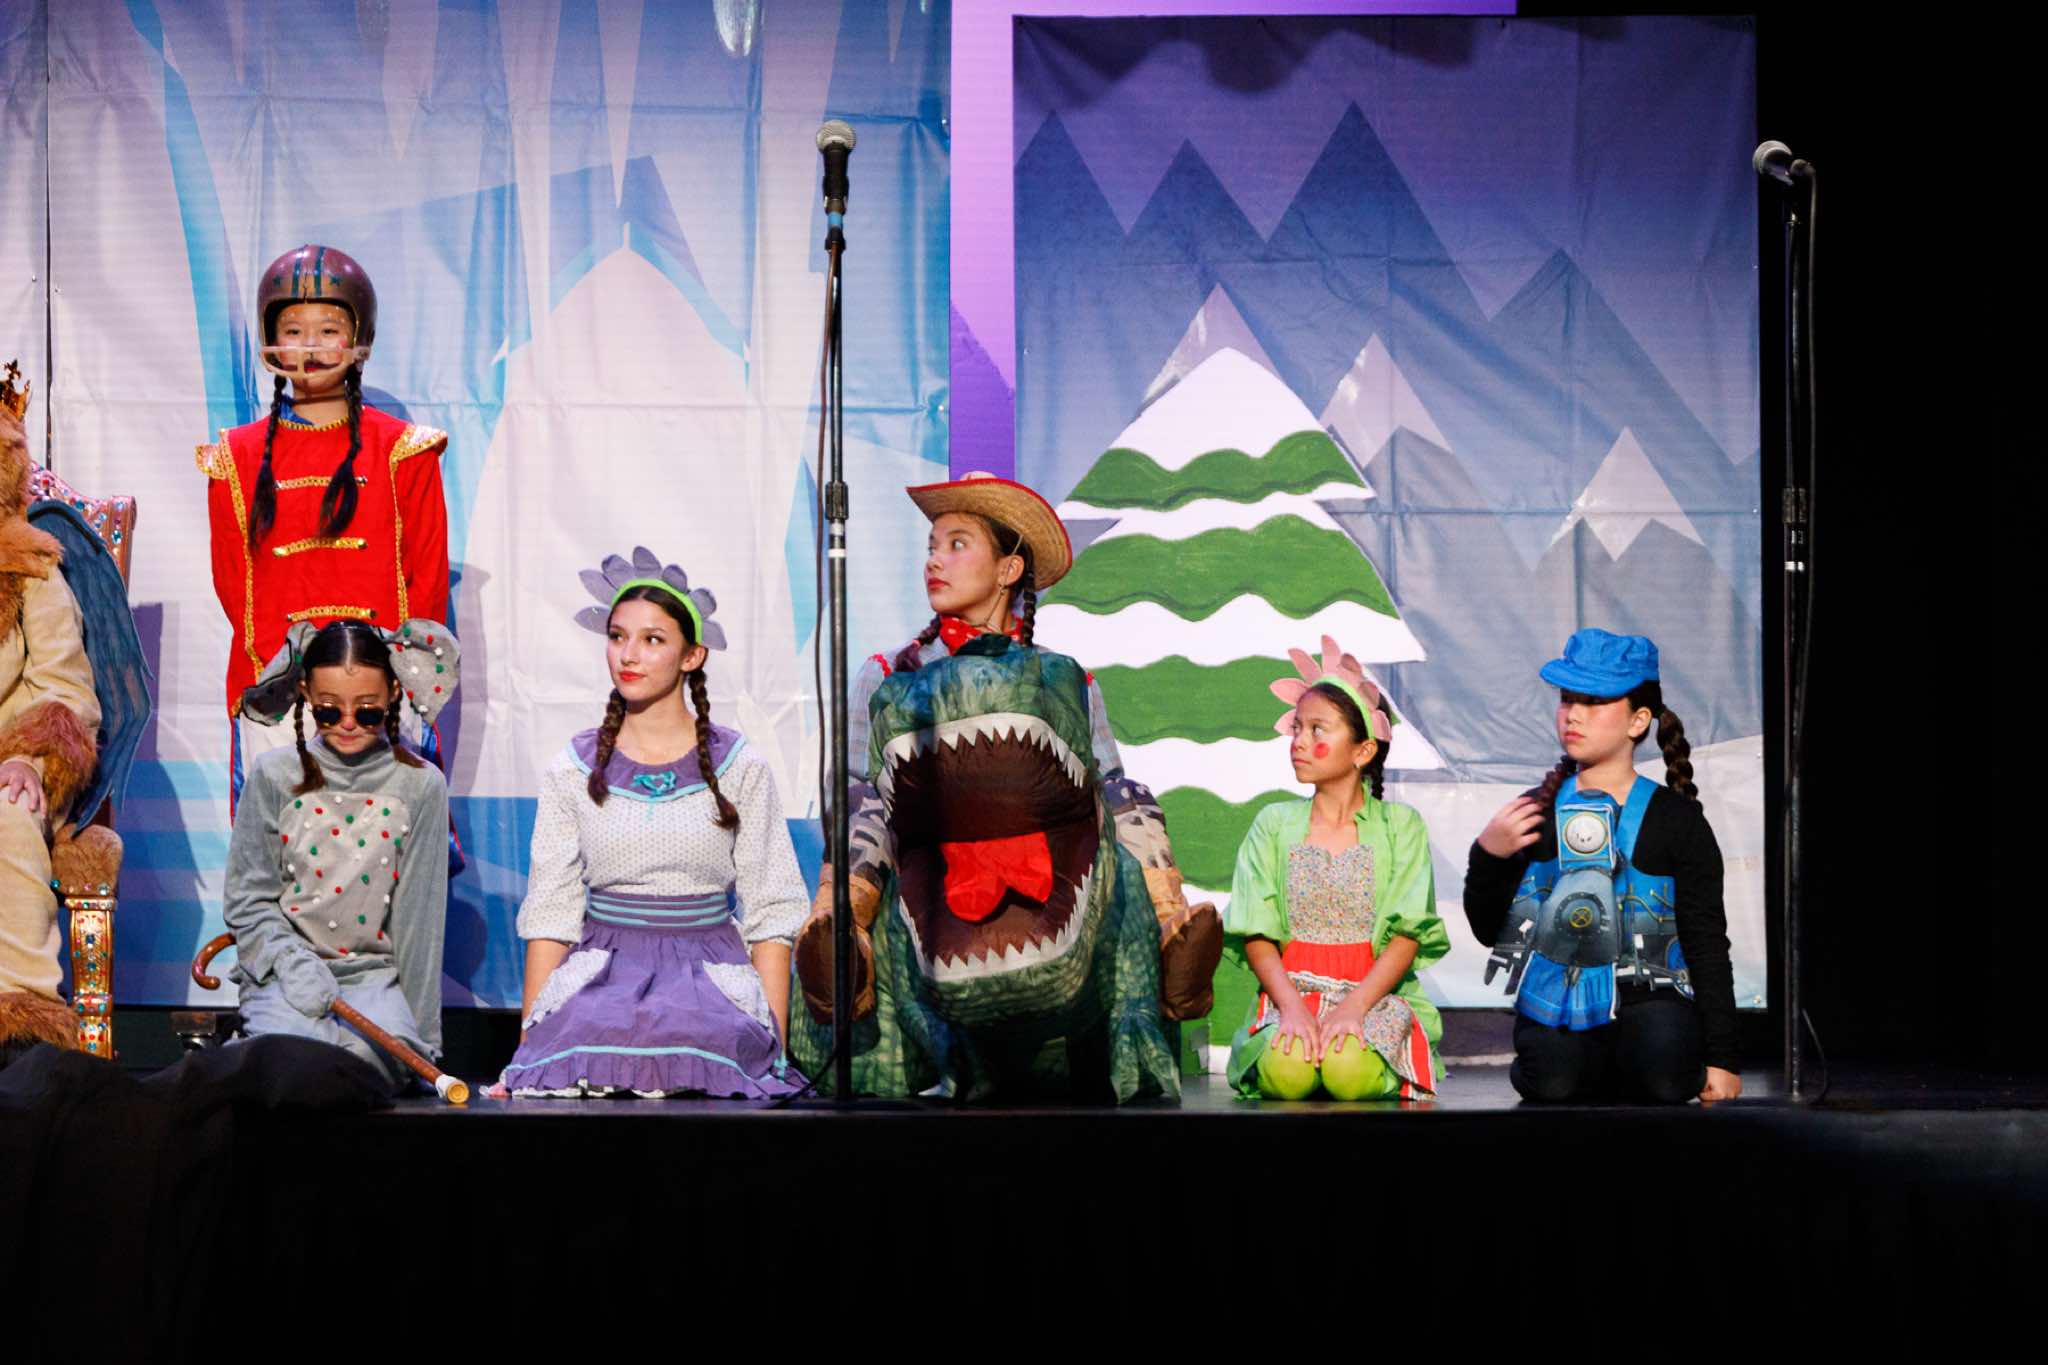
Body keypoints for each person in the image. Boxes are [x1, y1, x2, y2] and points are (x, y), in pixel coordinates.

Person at [790, 472, 1221, 1102]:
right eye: (931, 547)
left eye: (957, 544)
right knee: (861, 806)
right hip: (930, 881)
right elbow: (860, 785)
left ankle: (1167, 926)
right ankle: (842, 942)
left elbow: (1100, 781)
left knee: (1124, 796)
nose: (935, 560)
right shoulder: (890, 674)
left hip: (1045, 876)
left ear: (1008, 569)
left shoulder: (1064, 678)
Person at [494, 550, 806, 1099]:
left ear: (692, 656)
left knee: (701, 1041)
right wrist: (529, 1050)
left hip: (707, 977)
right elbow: (551, 914)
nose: (628, 655)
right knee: (591, 1041)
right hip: (603, 978)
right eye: (618, 637)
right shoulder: (575, 767)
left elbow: (771, 910)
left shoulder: (738, 765)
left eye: (652, 639)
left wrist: (774, 1049)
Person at [196, 244, 450, 811]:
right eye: (293, 330)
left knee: (388, 842)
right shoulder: (235, 458)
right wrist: (282, 675)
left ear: (360, 338)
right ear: (270, 338)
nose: (309, 347)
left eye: (328, 330)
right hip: (277, 687)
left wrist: (396, 683)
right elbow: (235, 584)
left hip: (382, 689)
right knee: (281, 842)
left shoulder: (404, 451)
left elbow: (427, 582)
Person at [1466, 628, 1741, 1105]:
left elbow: (1706, 941)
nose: (1573, 714)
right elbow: (1490, 930)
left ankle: (1629, 1062)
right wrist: (1488, 856)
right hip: (1559, 998)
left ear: (1638, 720)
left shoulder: (1676, 819)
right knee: (1551, 1080)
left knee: (1665, 1072)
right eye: (1567, 699)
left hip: (1650, 995)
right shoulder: (1534, 812)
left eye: (1594, 702)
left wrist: (1724, 1058)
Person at [221, 617, 455, 1092]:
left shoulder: (421, 785)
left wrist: (422, 1043)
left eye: (366, 712)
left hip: (373, 980)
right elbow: (248, 899)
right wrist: (290, 962)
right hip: (288, 975)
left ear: (392, 693)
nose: (348, 724)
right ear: (306, 693)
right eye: (329, 711)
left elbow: (420, 924)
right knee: (296, 1066)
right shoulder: (273, 775)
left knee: (368, 1067)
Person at [1223, 637, 1445, 1101]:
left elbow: (1407, 934)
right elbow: (1257, 930)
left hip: (1373, 998)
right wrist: (1291, 1008)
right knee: (1288, 1072)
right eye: (1297, 729)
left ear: (1363, 751)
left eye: (1317, 730)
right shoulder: (1274, 824)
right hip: (1293, 993)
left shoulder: (1399, 827)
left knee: (1347, 1070)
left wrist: (1352, 1009)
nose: (1300, 742)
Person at [0, 390, 101, 1064]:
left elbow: (66, 688)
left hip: (8, 764)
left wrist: (28, 757)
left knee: (8, 812)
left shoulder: (29, 567)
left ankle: (19, 1020)